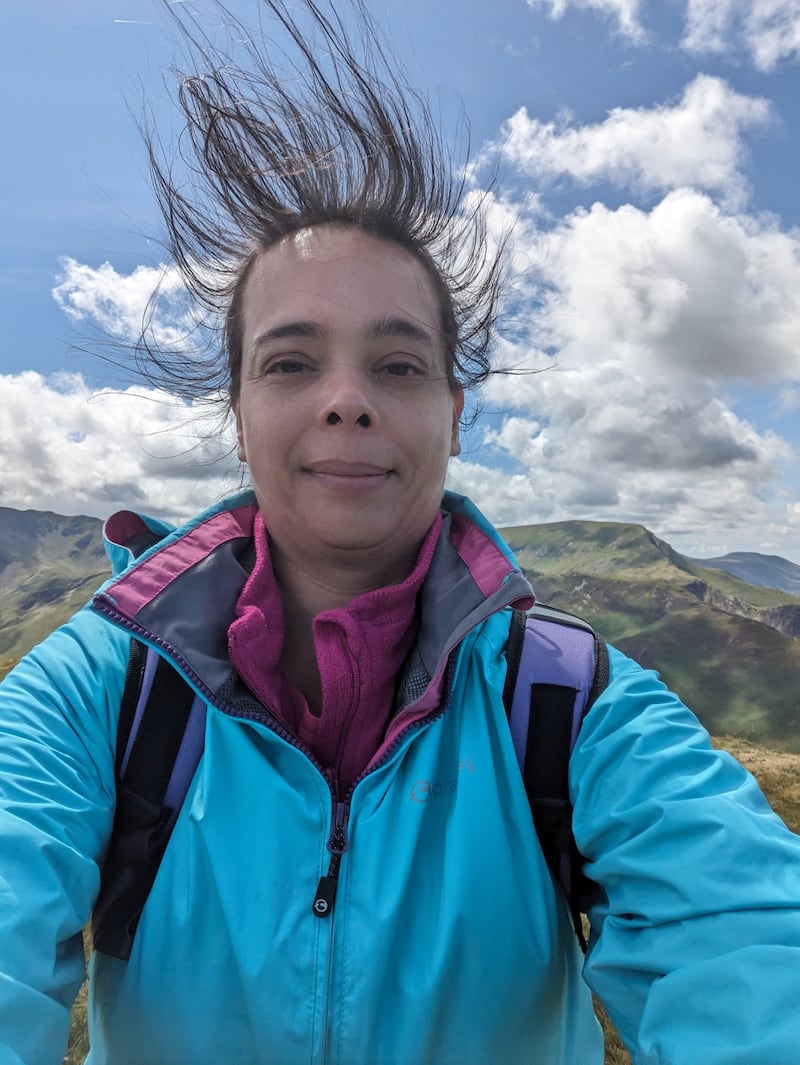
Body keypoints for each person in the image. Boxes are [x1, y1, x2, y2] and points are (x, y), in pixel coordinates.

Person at [1, 2, 799, 1063]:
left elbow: (743, 939)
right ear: (236, 416)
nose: (345, 400)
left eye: (398, 364)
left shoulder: (569, 707)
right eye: (289, 363)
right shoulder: (98, 694)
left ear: (455, 416)